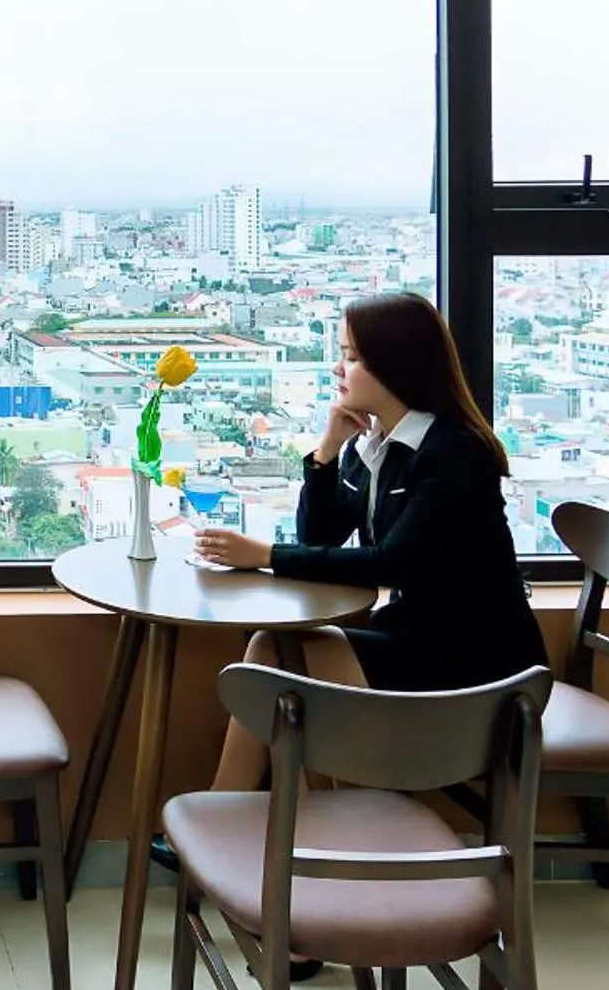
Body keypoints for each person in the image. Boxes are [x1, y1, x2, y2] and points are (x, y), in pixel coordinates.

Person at [196, 290, 546, 790]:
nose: (339, 369)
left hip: (478, 668)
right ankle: (248, 813)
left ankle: (286, 819)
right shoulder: (375, 446)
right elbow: (319, 537)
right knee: (271, 650)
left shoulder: (454, 454)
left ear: (395, 365)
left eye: (353, 357)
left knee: (275, 655)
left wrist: (266, 556)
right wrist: (328, 450)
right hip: (415, 638)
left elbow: (393, 562)